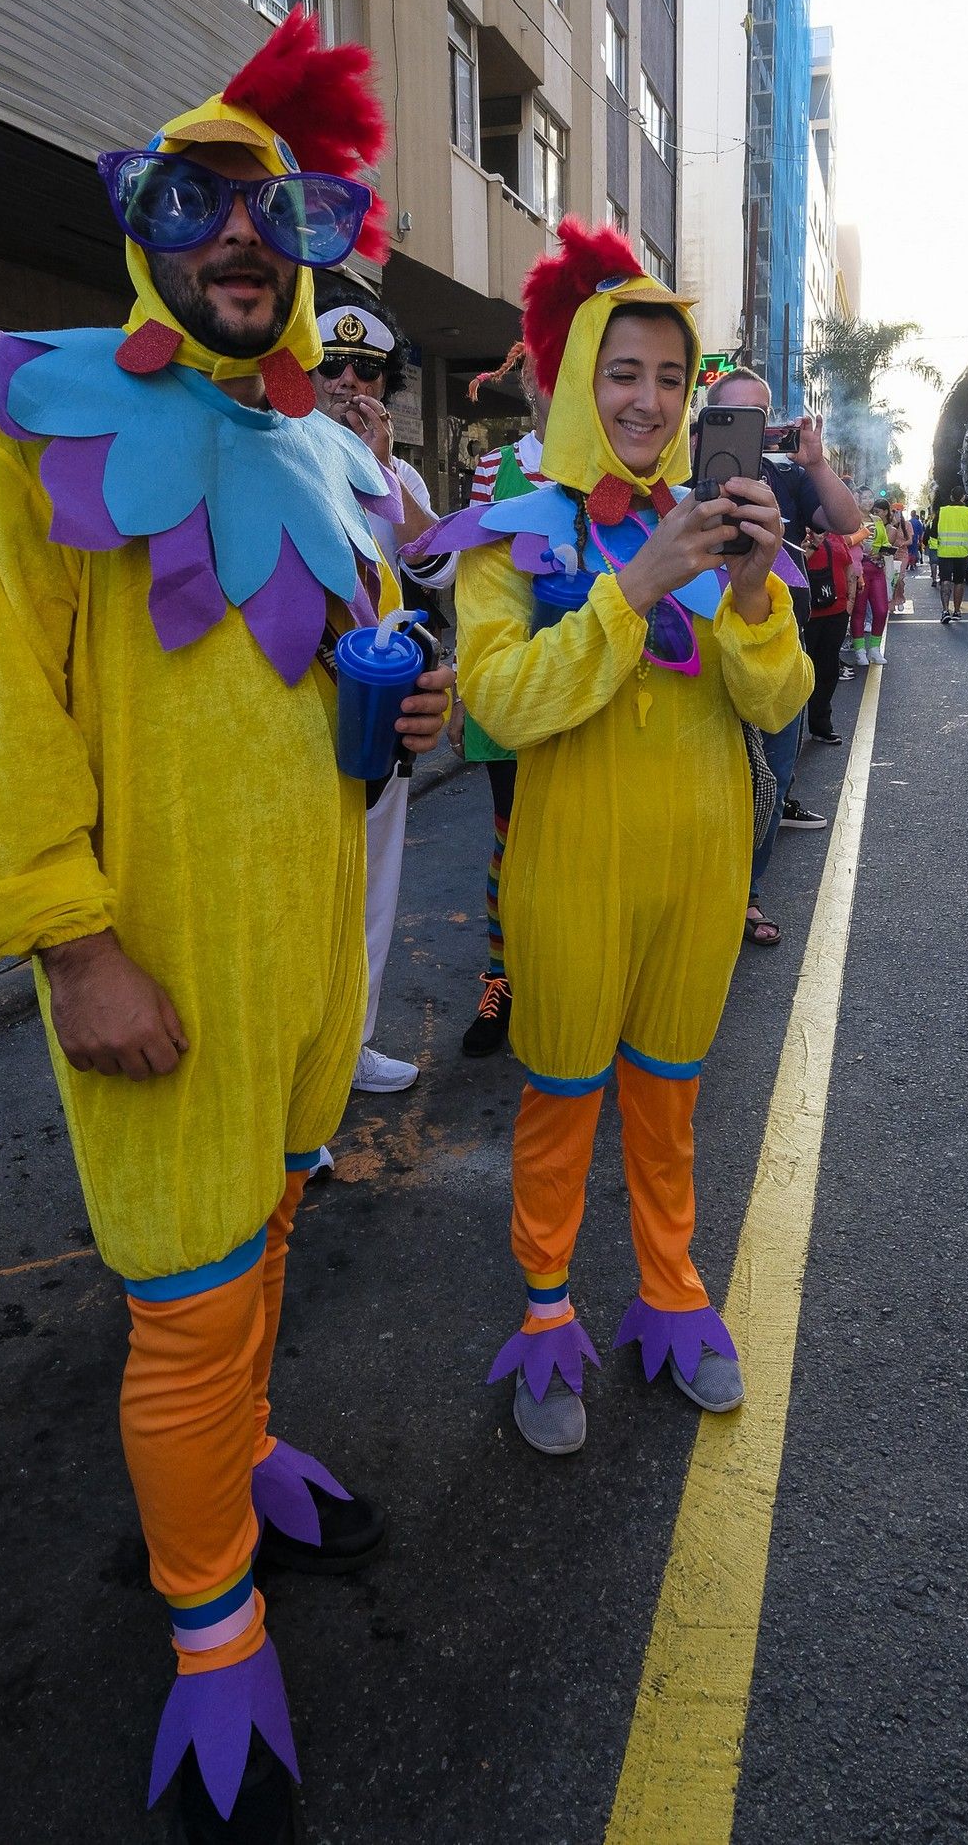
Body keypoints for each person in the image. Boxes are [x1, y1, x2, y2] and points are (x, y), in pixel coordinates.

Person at [0, 10, 454, 1841]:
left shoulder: (329, 465)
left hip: (311, 949)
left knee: (272, 1232)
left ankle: (238, 1466)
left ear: (314, 247)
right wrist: (72, 940)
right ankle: (209, 1623)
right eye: (201, 199)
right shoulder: (32, 414)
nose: (244, 237)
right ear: (147, 224)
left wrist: (418, 716)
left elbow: (341, 702)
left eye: (280, 210)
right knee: (182, 1303)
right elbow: (0, 719)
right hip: (154, 963)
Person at [417, 218, 812, 1454]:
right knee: (563, 1098)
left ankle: (671, 1293)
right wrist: (632, 587)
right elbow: (499, 701)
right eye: (622, 372)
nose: (646, 401)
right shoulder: (512, 534)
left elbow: (776, 701)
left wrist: (748, 589)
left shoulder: (722, 527)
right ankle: (546, 1318)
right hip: (568, 875)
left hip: (699, 873)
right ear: (579, 375)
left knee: (670, 1099)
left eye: (668, 377)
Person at [314, 285, 443, 1095]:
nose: (349, 385)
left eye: (367, 370)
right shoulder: (272, 443)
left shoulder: (395, 471)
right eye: (333, 367)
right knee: (307, 899)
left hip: (378, 707)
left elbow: (435, 564)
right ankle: (303, 1078)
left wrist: (388, 470)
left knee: (374, 887)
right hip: (300, 707)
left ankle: (348, 1048)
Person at [703, 369, 862, 932]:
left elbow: (848, 523)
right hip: (704, 650)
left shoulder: (790, 477)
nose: (756, 427)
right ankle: (700, 893)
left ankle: (747, 891)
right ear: (709, 417)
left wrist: (816, 463)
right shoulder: (690, 470)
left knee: (772, 772)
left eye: (763, 414)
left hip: (777, 651)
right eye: (738, 414)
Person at [453, 343, 550, 1057]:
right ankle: (502, 977)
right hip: (510, 679)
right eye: (543, 371)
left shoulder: (606, 467)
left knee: (577, 840)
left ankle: (565, 974)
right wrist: (465, 690)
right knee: (512, 836)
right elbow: (473, 581)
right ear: (527, 384)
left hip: (585, 681)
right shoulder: (496, 466)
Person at [802, 525, 858, 744]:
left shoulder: (837, 535)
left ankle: (821, 725)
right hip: (809, 615)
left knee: (828, 670)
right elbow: (796, 566)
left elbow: (848, 567)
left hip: (837, 612)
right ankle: (791, 733)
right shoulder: (801, 532)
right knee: (805, 672)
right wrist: (814, 543)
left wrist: (850, 602)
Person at [849, 497, 905, 665]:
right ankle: (859, 651)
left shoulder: (877, 521)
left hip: (877, 569)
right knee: (859, 611)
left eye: (870, 497)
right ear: (857, 500)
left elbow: (885, 542)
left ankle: (874, 649)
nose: (868, 501)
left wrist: (884, 551)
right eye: (864, 497)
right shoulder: (851, 521)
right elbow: (848, 542)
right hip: (860, 570)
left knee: (881, 610)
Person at [932, 486, 968, 621]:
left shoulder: (942, 512)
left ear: (951, 497)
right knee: (959, 581)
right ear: (964, 497)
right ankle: (957, 611)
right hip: (962, 553)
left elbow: (933, 533)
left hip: (945, 552)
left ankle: (945, 610)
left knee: (945, 580)